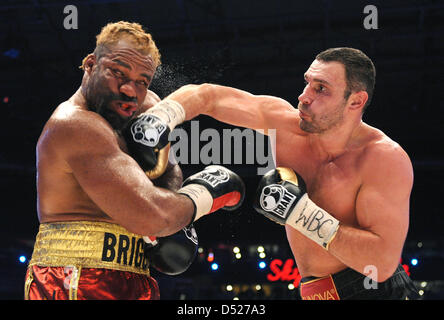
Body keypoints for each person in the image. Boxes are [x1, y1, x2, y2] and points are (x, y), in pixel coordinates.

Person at [145, 47, 419, 299]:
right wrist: (159, 117)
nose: (304, 96)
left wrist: (301, 213)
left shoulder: (383, 158)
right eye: (308, 83)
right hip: (311, 291)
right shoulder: (286, 127)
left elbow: (381, 263)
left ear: (356, 101)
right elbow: (209, 96)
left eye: (321, 89)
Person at [25, 21, 245, 300]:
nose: (130, 90)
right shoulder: (75, 125)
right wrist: (203, 194)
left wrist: (168, 205)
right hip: (73, 278)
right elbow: (153, 217)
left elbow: (170, 173)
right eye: (117, 73)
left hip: (136, 276)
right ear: (91, 65)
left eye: (142, 80)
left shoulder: (145, 108)